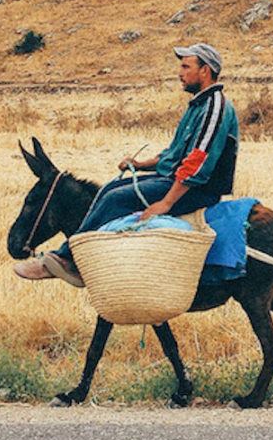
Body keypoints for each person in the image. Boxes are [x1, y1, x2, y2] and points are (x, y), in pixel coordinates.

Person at [13, 43, 238, 286]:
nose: (180, 72)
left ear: (205, 71)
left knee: (115, 200)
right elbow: (174, 155)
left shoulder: (215, 107)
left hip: (199, 190)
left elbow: (196, 163)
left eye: (186, 66)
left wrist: (165, 203)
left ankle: (69, 257)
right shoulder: (199, 105)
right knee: (109, 190)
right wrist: (141, 165)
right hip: (176, 181)